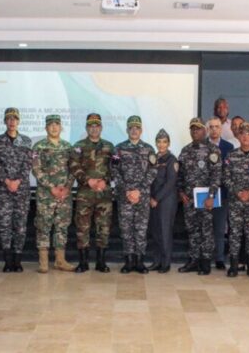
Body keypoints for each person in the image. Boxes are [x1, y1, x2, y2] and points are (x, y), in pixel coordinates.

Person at [177, 117, 222, 275]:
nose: (195, 131)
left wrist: (211, 196)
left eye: (198, 128)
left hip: (205, 198)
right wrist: (181, 192)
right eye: (192, 129)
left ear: (205, 130)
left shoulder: (213, 150)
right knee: (192, 230)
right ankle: (193, 260)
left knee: (206, 230)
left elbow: (216, 176)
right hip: (189, 198)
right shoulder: (185, 150)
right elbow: (180, 175)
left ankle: (205, 262)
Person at [69, 113, 114, 273]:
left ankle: (101, 262)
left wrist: (105, 180)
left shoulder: (109, 146)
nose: (94, 129)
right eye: (91, 126)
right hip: (85, 194)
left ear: (101, 128)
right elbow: (74, 166)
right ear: (87, 128)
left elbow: (115, 167)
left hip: (104, 195)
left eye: (97, 126)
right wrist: (88, 180)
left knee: (104, 228)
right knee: (83, 228)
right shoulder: (78, 145)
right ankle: (83, 262)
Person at [112, 116, 157, 274]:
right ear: (127, 130)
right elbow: (114, 171)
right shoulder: (118, 149)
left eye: (137, 127)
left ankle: (139, 261)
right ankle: (128, 261)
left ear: (141, 130)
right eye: (131, 127)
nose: (134, 130)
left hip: (142, 197)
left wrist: (139, 190)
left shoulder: (149, 149)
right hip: (125, 197)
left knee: (140, 229)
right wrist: (127, 190)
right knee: (126, 229)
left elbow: (152, 171)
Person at [32, 114, 76, 273]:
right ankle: (43, 262)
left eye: (57, 124)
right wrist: (51, 187)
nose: (54, 127)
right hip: (46, 195)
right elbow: (36, 169)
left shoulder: (68, 147)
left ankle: (60, 260)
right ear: (46, 127)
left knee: (62, 227)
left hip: (64, 195)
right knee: (43, 226)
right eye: (51, 124)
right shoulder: (39, 147)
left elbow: (73, 169)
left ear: (61, 127)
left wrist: (67, 187)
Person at [0, 108, 33, 273]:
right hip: (3, 190)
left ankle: (18, 260)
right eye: (9, 119)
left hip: (21, 190)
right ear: (5, 121)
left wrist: (17, 181)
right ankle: (7, 260)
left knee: (20, 226)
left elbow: (28, 164)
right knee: (4, 225)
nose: (12, 122)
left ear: (18, 121)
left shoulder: (26, 141)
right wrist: (7, 181)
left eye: (14, 119)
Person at [223, 122, 249, 278]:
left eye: (248, 134)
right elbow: (226, 177)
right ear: (238, 136)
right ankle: (233, 266)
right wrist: (238, 192)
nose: (245, 136)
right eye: (242, 134)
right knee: (235, 234)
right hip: (235, 202)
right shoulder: (231, 155)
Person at [206, 117, 234, 270]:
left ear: (221, 129)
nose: (214, 129)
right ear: (208, 129)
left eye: (217, 126)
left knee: (219, 228)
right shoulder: (202, 146)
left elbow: (229, 171)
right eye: (211, 127)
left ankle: (219, 258)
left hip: (222, 193)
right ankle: (204, 257)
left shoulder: (228, 147)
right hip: (203, 194)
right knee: (204, 227)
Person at [148, 129, 177, 274]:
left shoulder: (171, 159)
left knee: (165, 232)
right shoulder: (153, 158)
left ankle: (165, 263)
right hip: (153, 200)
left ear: (169, 143)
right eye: (159, 142)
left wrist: (156, 198)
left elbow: (170, 182)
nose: (161, 144)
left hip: (166, 200)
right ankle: (156, 261)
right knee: (155, 232)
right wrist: (150, 198)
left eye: (164, 142)